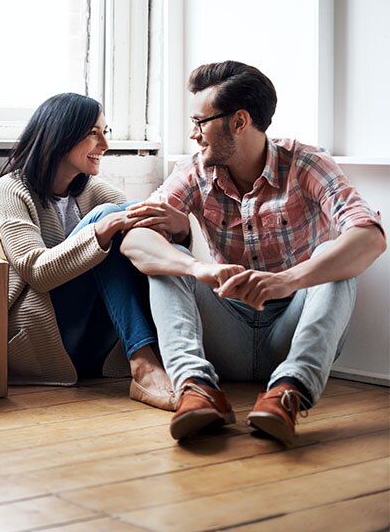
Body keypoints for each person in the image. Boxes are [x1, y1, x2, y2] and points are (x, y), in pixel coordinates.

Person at [121, 60, 386, 443]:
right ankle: (196, 390)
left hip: (293, 332)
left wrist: (286, 280)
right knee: (167, 261)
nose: (194, 134)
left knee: (335, 258)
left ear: (239, 121)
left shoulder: (306, 164)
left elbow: (370, 236)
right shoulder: (194, 170)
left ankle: (288, 393)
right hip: (226, 332)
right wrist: (199, 268)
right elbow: (134, 239)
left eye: (200, 123)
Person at [0, 92, 174, 410]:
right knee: (108, 220)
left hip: (96, 344)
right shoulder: (11, 189)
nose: (104, 145)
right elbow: (36, 272)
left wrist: (173, 226)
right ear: (60, 134)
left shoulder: (92, 189)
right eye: (93, 133)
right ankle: (145, 363)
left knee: (131, 216)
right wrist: (101, 231)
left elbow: (137, 221)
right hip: (47, 339)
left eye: (106, 132)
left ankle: (174, 353)